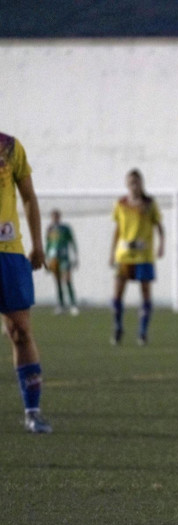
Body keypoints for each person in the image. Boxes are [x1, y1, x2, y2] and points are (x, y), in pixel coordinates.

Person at [0, 132, 51, 433]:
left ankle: (32, 411)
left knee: (19, 332)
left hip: (8, 253)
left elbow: (29, 196)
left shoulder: (9, 147)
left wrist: (38, 244)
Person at [110, 168, 164, 346]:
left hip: (143, 255)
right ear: (127, 184)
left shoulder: (149, 204)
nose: (134, 186)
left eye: (137, 182)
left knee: (145, 293)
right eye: (131, 182)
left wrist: (161, 245)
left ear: (141, 183)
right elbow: (117, 229)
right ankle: (118, 328)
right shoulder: (121, 204)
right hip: (124, 254)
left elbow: (159, 226)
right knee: (117, 293)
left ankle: (142, 332)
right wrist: (112, 252)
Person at [45, 209, 79, 315]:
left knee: (67, 280)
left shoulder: (65, 228)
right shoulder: (50, 229)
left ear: (59, 217)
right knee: (58, 282)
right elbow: (48, 244)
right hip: (54, 258)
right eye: (53, 216)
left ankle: (73, 304)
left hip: (64, 257)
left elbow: (72, 242)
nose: (55, 218)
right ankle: (61, 304)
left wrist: (75, 256)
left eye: (56, 216)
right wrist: (46, 259)